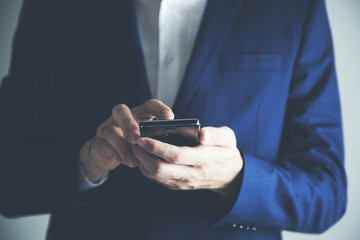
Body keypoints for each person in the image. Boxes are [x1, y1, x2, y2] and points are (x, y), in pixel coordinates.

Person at [0, 0, 346, 239]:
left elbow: (327, 191)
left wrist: (236, 177)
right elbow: (8, 179)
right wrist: (86, 163)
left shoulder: (294, 7)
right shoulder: (52, 7)